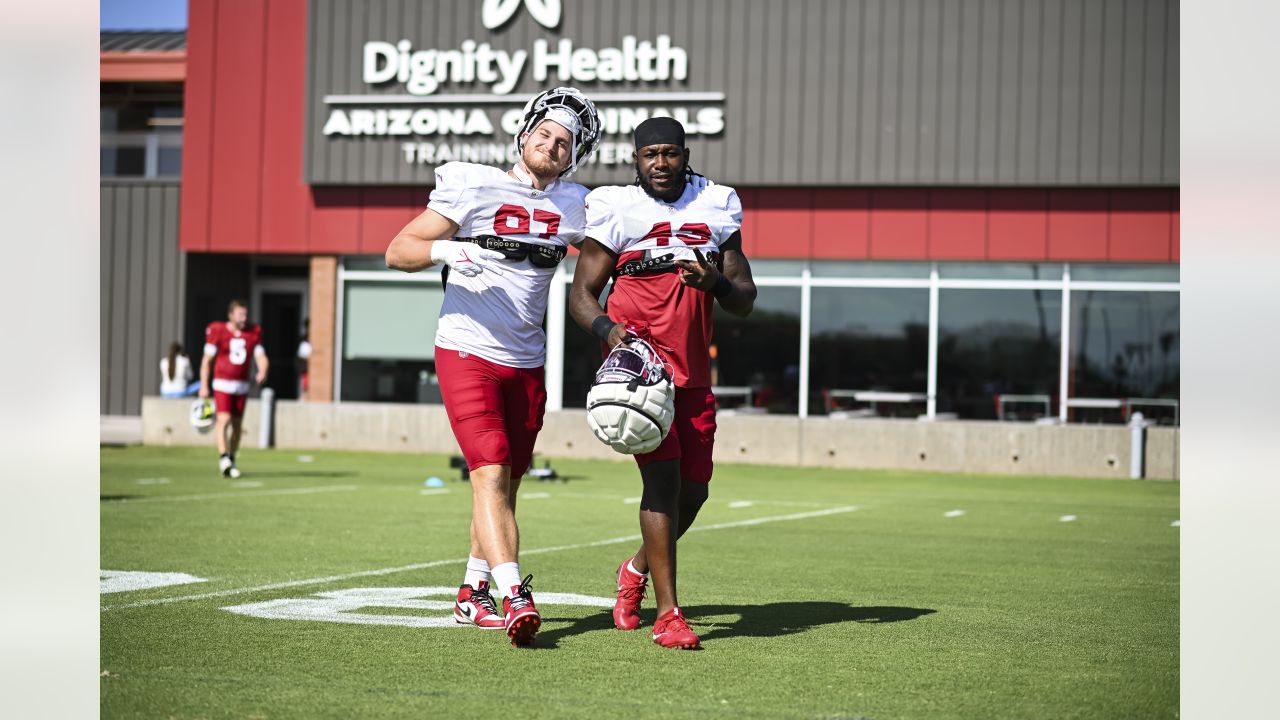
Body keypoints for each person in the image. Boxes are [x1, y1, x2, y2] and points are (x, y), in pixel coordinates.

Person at [384, 87, 601, 648]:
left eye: (564, 143)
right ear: (525, 132)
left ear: (573, 156)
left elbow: (609, 256)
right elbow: (397, 250)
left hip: (527, 359)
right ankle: (514, 597)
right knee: (488, 471)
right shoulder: (472, 184)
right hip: (467, 348)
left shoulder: (575, 204)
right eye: (545, 134)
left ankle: (471, 592)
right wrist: (444, 251)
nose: (552, 146)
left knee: (505, 483)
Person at [569, 116, 758, 650]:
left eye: (669, 154)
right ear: (635, 158)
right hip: (641, 371)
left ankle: (634, 568)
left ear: (684, 154)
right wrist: (609, 332)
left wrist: (716, 281)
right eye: (650, 154)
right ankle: (668, 614)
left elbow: (745, 298)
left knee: (694, 493)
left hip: (694, 374)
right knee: (664, 483)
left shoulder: (716, 202)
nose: (660, 163)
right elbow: (581, 295)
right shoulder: (615, 206)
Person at [199, 299, 268, 479]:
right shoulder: (218, 330)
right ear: (230, 315)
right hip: (222, 383)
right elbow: (207, 361)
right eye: (240, 314)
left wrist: (263, 370)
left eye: (246, 314)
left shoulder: (253, 333)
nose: (244, 318)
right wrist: (204, 385)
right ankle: (223, 457)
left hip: (242, 385)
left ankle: (231, 457)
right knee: (224, 419)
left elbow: (261, 356)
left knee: (237, 426)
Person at [296, 319, 312, 400]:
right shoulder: (304, 340)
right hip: (306, 370)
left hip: (311, 370)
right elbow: (301, 358)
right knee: (305, 390)